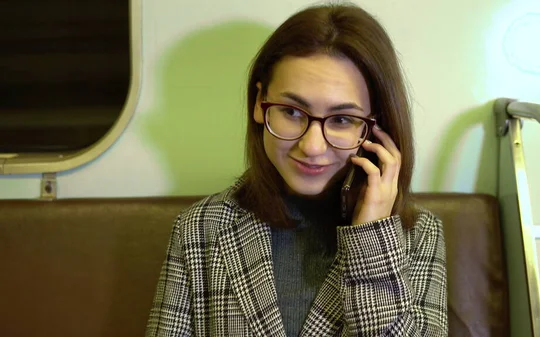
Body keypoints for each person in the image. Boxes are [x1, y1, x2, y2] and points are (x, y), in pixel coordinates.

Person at [146, 3, 447, 336]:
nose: (313, 146)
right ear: (261, 105)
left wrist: (371, 239)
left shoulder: (417, 235)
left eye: (343, 119)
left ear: (376, 128)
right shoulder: (200, 229)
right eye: (291, 112)